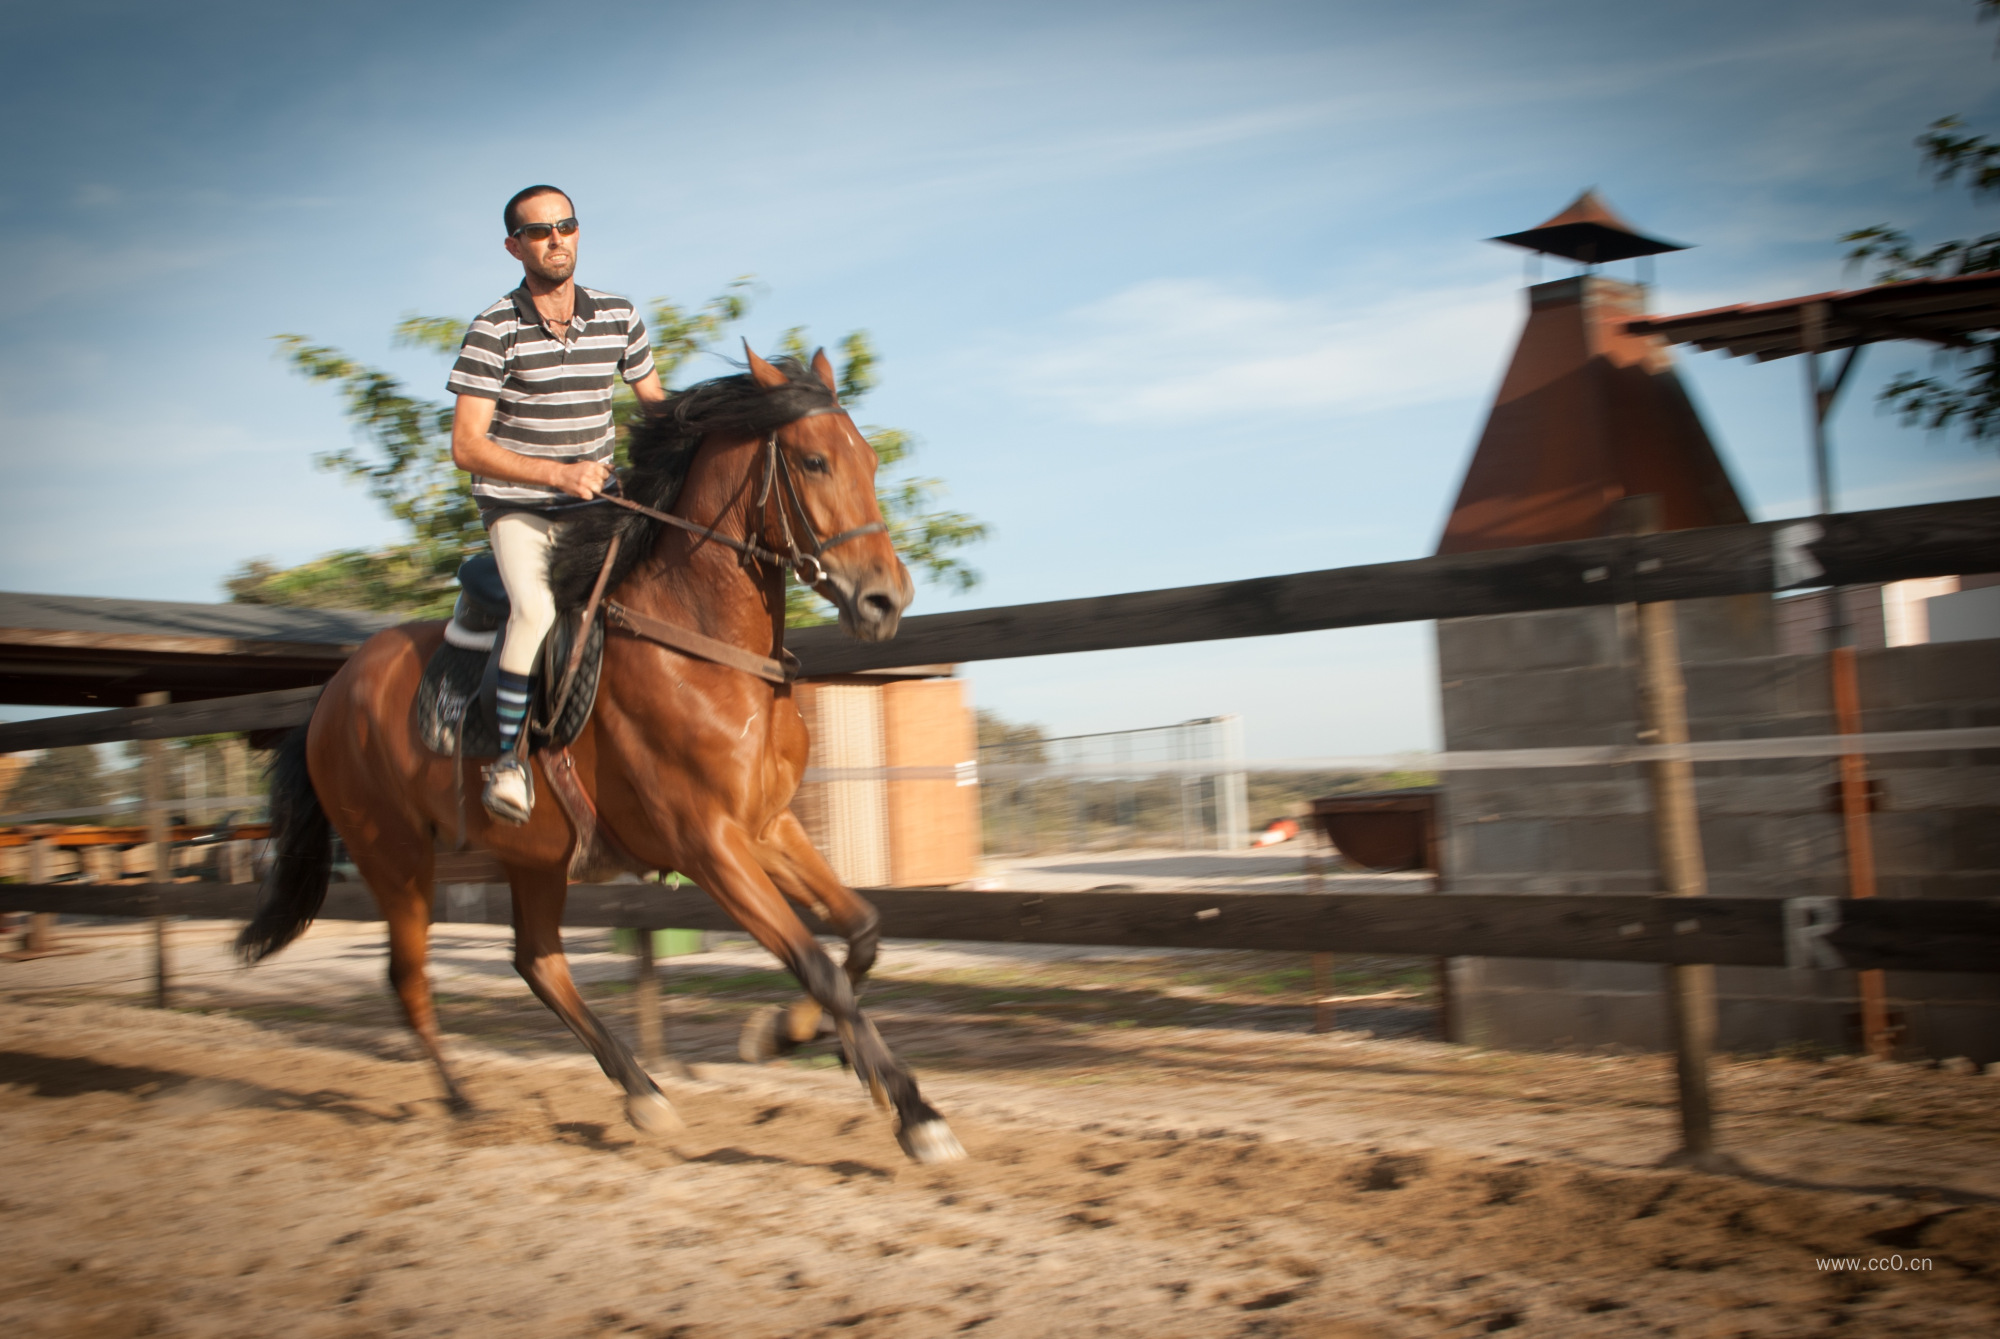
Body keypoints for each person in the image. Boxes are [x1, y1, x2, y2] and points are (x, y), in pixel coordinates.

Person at [448, 185, 666, 823]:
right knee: (537, 610)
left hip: (597, 500)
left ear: (577, 232)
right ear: (514, 246)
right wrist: (557, 475)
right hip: (518, 505)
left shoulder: (620, 315)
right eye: (539, 231)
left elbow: (656, 409)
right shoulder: (494, 328)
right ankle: (507, 763)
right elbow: (466, 445)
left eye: (565, 226)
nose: (556, 239)